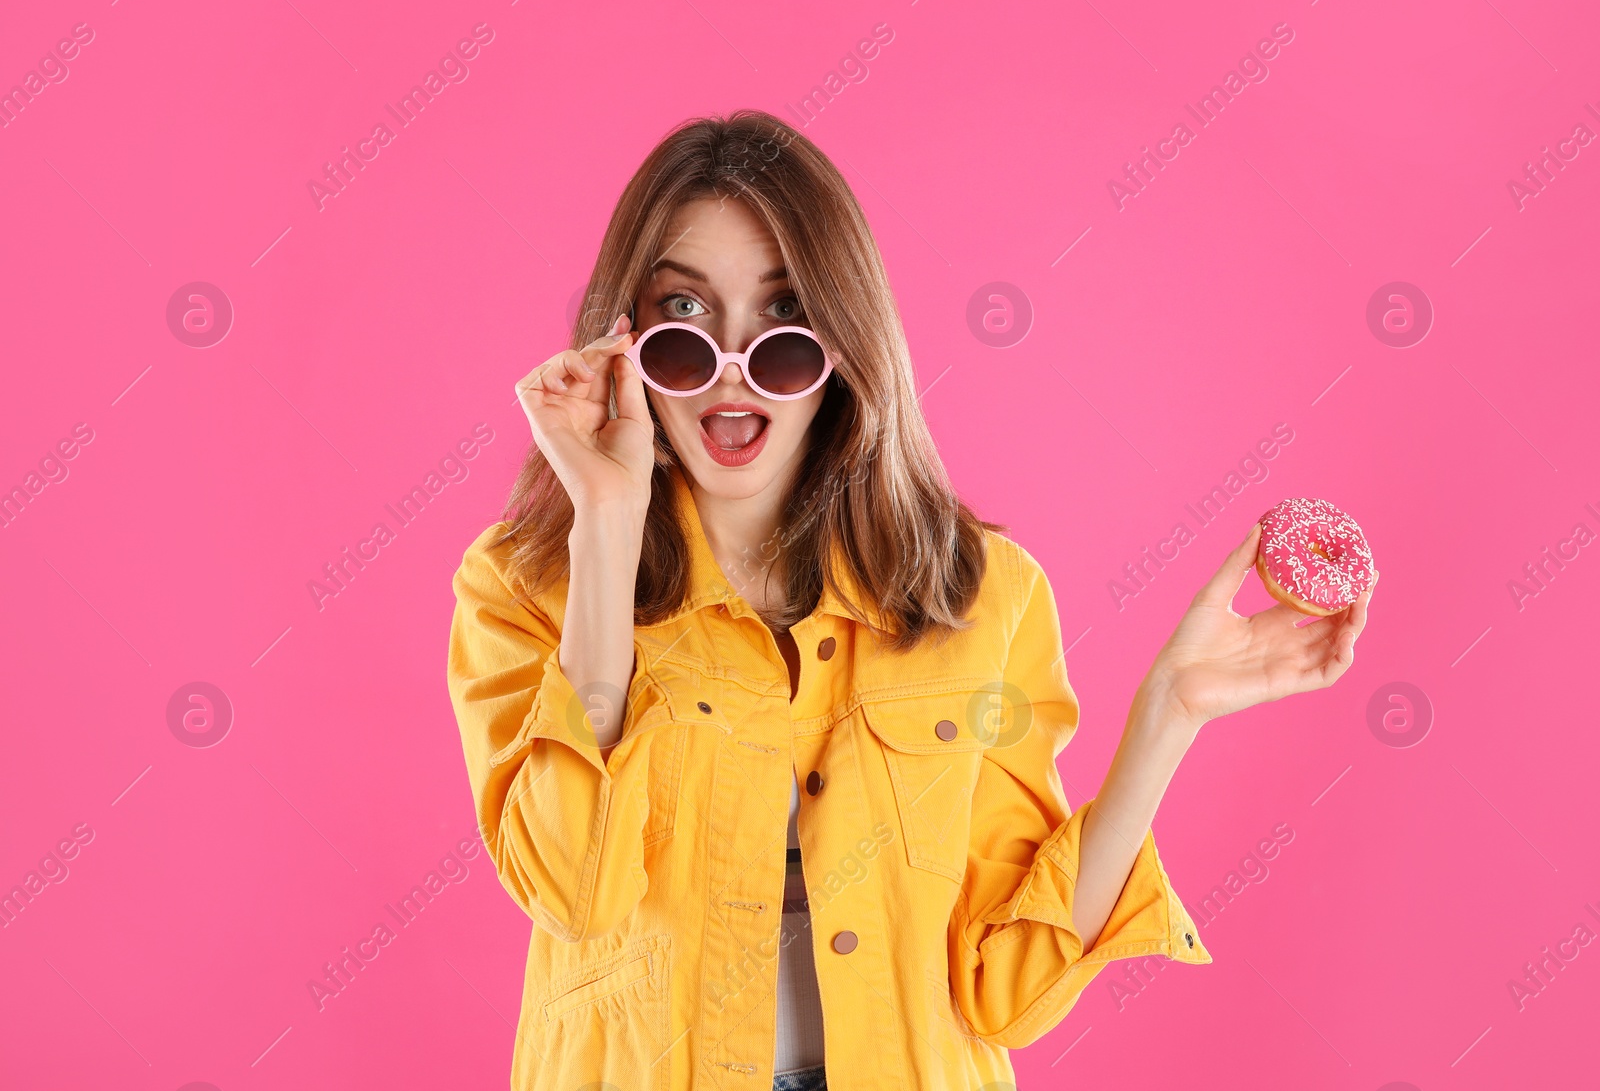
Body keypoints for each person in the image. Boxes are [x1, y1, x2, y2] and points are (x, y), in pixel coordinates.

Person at [445, 110, 1375, 1091]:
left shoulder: (980, 593)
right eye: (683, 317)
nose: (730, 369)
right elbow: (576, 890)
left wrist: (1168, 713)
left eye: (782, 323)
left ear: (842, 344)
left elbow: (1002, 990)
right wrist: (606, 517)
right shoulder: (522, 584)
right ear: (624, 338)